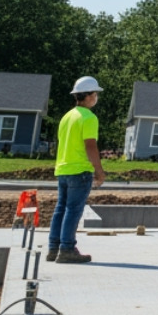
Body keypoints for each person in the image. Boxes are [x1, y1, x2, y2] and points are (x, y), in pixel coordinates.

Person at [49, 76, 106, 264]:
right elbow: (90, 146)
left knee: (61, 209)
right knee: (73, 210)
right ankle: (66, 249)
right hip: (80, 170)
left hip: (63, 168)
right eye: (95, 94)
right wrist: (98, 169)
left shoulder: (67, 116)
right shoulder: (89, 117)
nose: (96, 97)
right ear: (88, 96)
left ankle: (54, 247)